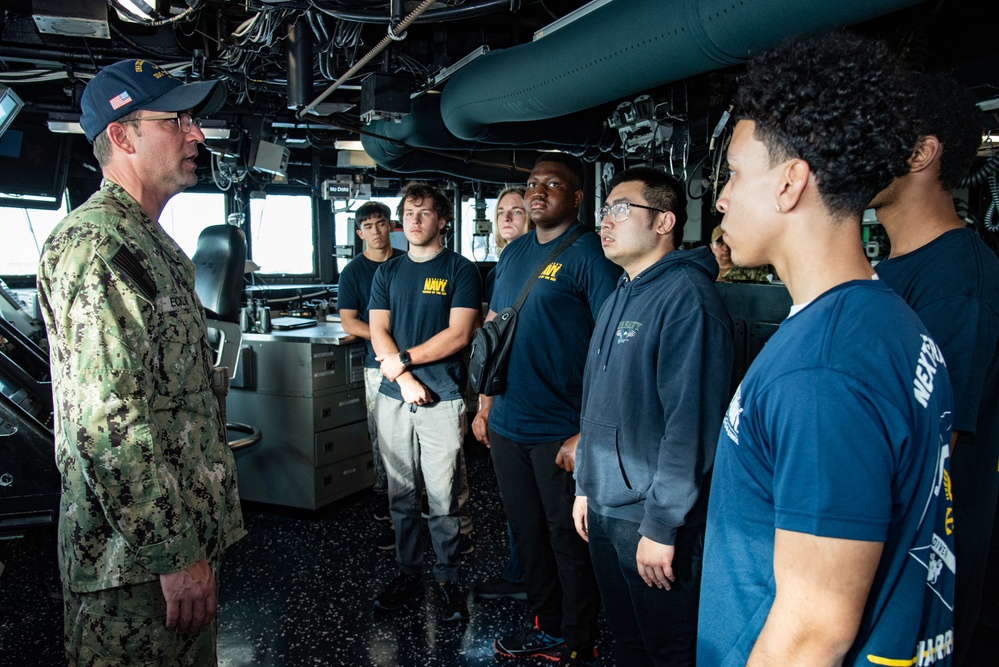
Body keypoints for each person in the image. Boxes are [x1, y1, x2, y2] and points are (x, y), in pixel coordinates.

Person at [698, 32, 956, 666]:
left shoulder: (822, 373)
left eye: (734, 172)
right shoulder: (886, 318)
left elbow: (813, 634)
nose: (722, 196)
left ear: (790, 183)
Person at [36, 59, 244, 665]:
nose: (197, 135)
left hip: (167, 544)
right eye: (177, 120)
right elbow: (106, 423)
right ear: (123, 136)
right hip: (134, 566)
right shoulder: (98, 245)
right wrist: (174, 554)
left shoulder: (150, 244)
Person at [573, 166, 733, 666]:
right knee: (628, 640)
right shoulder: (621, 290)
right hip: (603, 503)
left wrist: (662, 526)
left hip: (650, 515)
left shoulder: (687, 297)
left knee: (668, 649)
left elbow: (691, 425)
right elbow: (596, 396)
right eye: (604, 210)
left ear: (664, 221)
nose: (606, 220)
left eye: (622, 208)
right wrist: (584, 484)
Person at [870, 71, 999, 666]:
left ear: (922, 153)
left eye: (873, 134)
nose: (854, 149)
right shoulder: (884, 271)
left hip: (921, 574)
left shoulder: (957, 284)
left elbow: (930, 444)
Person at [474, 153, 621, 666]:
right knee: (528, 534)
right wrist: (484, 404)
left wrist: (587, 433)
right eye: (533, 183)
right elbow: (493, 331)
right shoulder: (513, 256)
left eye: (552, 184)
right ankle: (547, 624)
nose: (537, 192)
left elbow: (611, 349)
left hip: (560, 429)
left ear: (577, 199)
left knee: (567, 539)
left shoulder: (590, 256)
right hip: (509, 424)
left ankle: (578, 639)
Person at [368, 182, 482, 623]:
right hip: (396, 396)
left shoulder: (460, 269)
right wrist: (405, 376)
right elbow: (379, 330)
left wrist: (403, 363)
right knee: (400, 495)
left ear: (442, 221)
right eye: (409, 214)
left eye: (424, 213)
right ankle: (408, 572)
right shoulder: (389, 272)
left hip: (443, 397)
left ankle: (449, 578)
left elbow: (459, 334)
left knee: (442, 497)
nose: (414, 222)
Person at [473, 185, 532, 602]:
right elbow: (492, 344)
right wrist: (485, 405)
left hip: (539, 400)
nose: (507, 218)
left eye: (518, 210)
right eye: (501, 213)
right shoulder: (498, 270)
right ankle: (522, 570)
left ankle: (529, 578)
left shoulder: (554, 262)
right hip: (506, 396)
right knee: (515, 500)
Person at [337, 201, 404, 549]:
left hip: (414, 361)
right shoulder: (353, 273)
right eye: (368, 226)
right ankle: (384, 498)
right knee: (382, 438)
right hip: (377, 365)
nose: (376, 232)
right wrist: (386, 341)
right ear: (359, 233)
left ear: (391, 227)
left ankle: (417, 502)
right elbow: (349, 321)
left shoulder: (407, 262)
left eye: (381, 224)